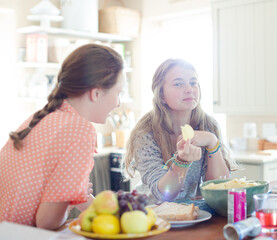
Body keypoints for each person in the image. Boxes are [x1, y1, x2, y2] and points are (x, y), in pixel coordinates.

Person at [0, 44, 125, 230]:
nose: (119, 103)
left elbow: (55, 191)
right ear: (96, 93)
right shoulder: (80, 130)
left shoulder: (40, 119)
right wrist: (74, 195)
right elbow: (47, 222)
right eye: (118, 93)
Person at [124, 58, 237, 204]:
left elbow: (220, 188)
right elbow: (164, 194)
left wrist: (212, 141)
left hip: (189, 215)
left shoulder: (209, 126)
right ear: (161, 95)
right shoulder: (145, 133)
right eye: (178, 84)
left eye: (193, 83)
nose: (189, 89)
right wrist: (182, 161)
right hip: (149, 217)